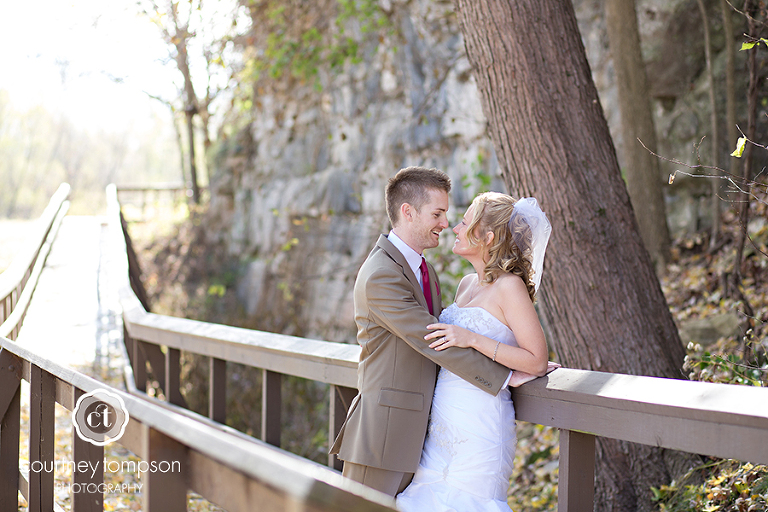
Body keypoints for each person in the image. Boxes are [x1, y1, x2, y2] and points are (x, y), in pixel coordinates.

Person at [329, 167, 513, 497]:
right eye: (438, 213)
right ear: (408, 212)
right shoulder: (381, 275)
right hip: (384, 436)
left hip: (422, 438)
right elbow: (432, 340)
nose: (445, 223)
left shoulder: (423, 268)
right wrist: (506, 375)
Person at [396, 192, 554, 511]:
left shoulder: (510, 287)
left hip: (479, 425)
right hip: (442, 423)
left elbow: (536, 361)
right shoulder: (466, 284)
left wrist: (471, 338)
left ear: (488, 236)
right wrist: (505, 373)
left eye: (465, 222)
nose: (454, 228)